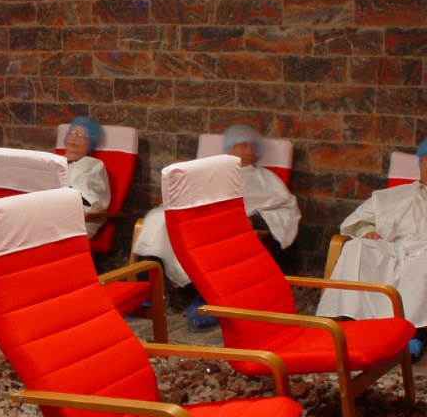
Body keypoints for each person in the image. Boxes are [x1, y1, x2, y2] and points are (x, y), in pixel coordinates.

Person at [133, 123, 300, 328]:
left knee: (213, 237)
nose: (246, 150)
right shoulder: (212, 174)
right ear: (229, 149)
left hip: (231, 225)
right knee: (155, 221)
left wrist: (253, 220)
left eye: (251, 146)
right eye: (240, 145)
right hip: (199, 219)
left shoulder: (266, 178)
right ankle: (144, 294)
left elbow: (285, 208)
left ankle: (206, 299)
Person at [317, 137, 427, 360]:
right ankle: (350, 324)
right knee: (356, 248)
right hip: (390, 247)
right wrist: (367, 230)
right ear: (420, 163)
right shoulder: (393, 195)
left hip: (423, 253)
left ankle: (412, 333)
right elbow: (360, 220)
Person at [62, 116, 111, 238]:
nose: (75, 138)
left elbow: (87, 197)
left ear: (90, 144)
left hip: (78, 219)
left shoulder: (93, 165)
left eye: (82, 136)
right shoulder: (52, 161)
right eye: (72, 132)